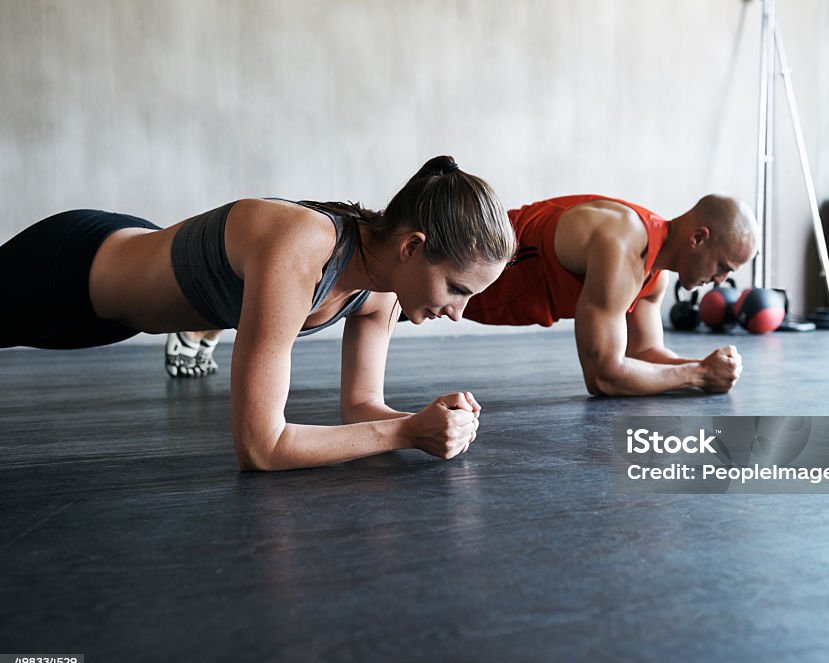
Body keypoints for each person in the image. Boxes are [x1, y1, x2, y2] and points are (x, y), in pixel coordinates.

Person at [0, 156, 516, 470]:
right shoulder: (304, 243)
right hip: (69, 268)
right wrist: (405, 434)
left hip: (110, 319)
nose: (456, 313)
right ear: (411, 247)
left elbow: (360, 410)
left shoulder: (380, 294)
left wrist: (427, 424)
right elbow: (262, 447)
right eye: (456, 288)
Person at [462, 194, 758, 396]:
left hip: (464, 295)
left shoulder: (655, 274)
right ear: (698, 238)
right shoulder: (622, 244)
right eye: (722, 266)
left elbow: (644, 355)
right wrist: (698, 375)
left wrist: (706, 368)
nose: (721, 281)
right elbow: (603, 376)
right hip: (450, 268)